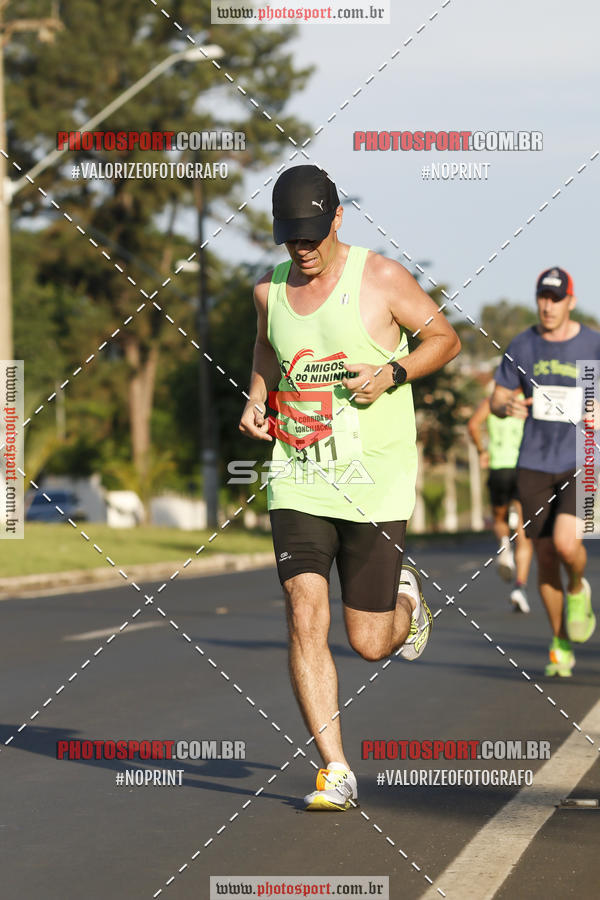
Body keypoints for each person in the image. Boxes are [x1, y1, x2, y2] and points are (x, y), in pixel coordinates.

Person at [239, 165, 461, 809]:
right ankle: (334, 768)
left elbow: (444, 339)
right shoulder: (268, 291)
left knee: (368, 641)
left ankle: (407, 604)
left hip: (374, 482)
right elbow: (266, 349)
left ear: (337, 218)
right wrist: (257, 397)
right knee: (304, 611)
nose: (302, 247)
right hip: (298, 476)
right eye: (290, 236)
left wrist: (392, 373)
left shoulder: (381, 278)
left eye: (312, 234)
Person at [491, 267, 599, 676]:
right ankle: (560, 641)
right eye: (543, 297)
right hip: (533, 463)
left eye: (556, 298)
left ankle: (578, 588)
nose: (548, 305)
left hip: (581, 458)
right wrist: (506, 406)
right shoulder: (524, 344)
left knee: (568, 545)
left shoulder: (593, 344)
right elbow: (498, 397)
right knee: (547, 557)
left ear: (571, 301)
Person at [468, 392, 533, 612]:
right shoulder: (528, 399)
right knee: (524, 529)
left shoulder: (492, 401)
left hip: (499, 468)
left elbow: (473, 425)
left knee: (499, 517)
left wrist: (482, 451)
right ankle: (520, 587)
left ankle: (505, 546)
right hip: (524, 467)